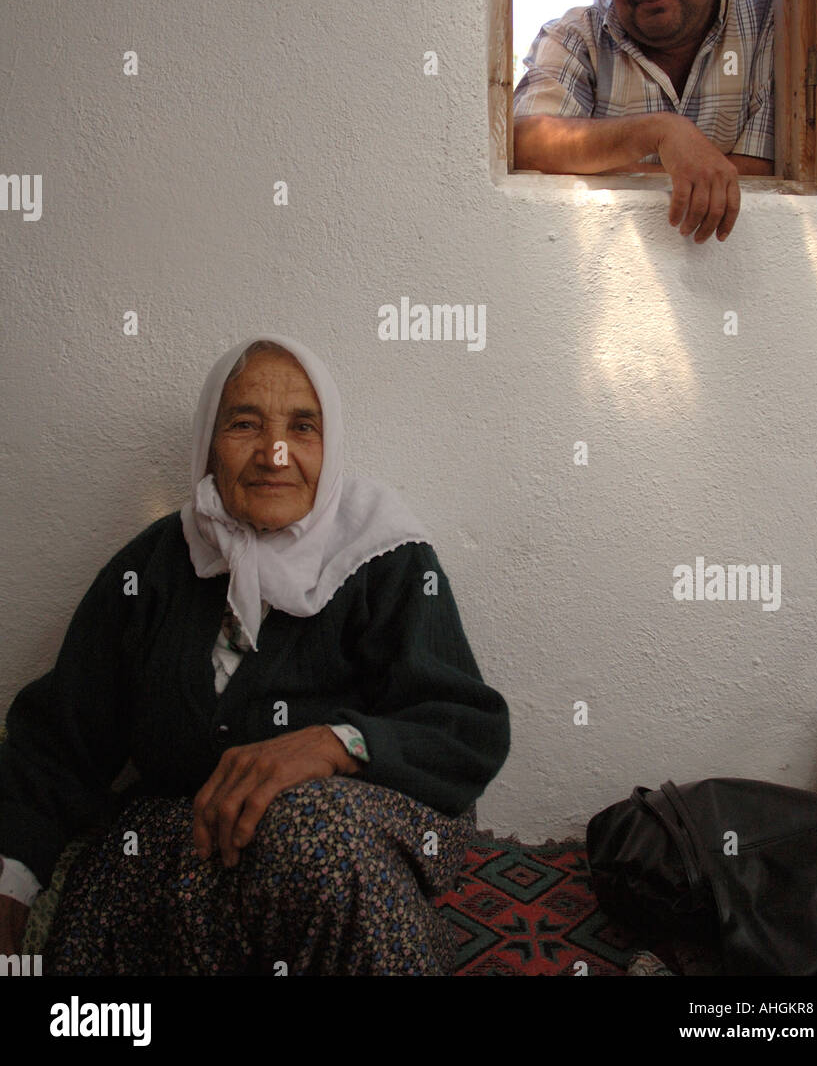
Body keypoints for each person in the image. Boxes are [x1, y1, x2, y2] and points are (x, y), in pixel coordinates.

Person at [0, 335, 510, 975]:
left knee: (306, 831)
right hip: (195, 837)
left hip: (349, 838)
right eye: (245, 424)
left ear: (332, 448)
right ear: (208, 447)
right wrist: (11, 881)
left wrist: (334, 745)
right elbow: (57, 739)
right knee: (115, 889)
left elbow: (466, 731)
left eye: (303, 427)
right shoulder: (159, 565)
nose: (275, 455)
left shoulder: (384, 557)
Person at [513, 0, 774, 244]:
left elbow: (763, 175)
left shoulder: (777, 11)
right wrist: (660, 132)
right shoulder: (575, 35)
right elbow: (527, 141)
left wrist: (592, 164)